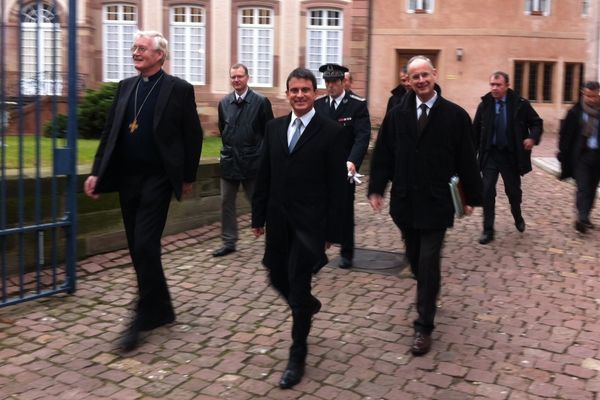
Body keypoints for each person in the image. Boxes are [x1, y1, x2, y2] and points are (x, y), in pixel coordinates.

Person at [83, 31, 203, 352]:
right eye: (134, 48)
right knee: (138, 249)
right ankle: (162, 308)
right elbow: (111, 133)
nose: (135, 52)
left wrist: (187, 177)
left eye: (142, 48)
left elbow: (193, 136)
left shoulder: (178, 89)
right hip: (128, 178)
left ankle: (140, 317)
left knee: (146, 244)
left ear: (160, 55)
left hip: (158, 178)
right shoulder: (125, 87)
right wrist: (97, 172)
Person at [368, 55, 482, 356]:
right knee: (416, 258)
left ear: (435, 75)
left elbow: (467, 159)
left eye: (425, 75)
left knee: (429, 261)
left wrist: (471, 197)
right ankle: (429, 289)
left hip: (436, 202)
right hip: (405, 201)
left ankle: (423, 326)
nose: (420, 81)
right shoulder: (397, 114)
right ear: (408, 79)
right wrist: (377, 188)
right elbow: (383, 155)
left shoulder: (455, 116)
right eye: (414, 76)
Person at [252, 68, 347, 389]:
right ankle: (306, 305)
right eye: (294, 90)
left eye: (306, 90)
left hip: (310, 227)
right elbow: (263, 174)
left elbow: (338, 187)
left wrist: (334, 231)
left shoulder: (330, 132)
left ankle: (297, 354)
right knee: (275, 276)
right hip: (278, 222)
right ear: (287, 93)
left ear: (315, 93)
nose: (300, 95)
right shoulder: (274, 128)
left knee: (297, 281)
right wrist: (257, 217)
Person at [473, 71, 543, 244]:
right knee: (487, 190)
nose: (494, 88)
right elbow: (474, 132)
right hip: (490, 154)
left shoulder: (520, 104)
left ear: (507, 86)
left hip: (510, 155)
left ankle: (517, 215)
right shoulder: (485, 105)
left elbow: (536, 122)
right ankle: (488, 230)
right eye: (492, 85)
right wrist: (469, 155)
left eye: (498, 85)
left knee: (513, 191)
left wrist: (532, 138)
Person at [212, 63, 274, 257]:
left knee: (259, 202)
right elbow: (224, 130)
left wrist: (261, 156)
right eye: (233, 77)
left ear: (248, 78)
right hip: (230, 160)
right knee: (226, 201)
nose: (236, 80)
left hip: (253, 162)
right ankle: (229, 241)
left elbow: (269, 132)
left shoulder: (261, 102)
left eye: (240, 76)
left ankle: (275, 239)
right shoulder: (224, 103)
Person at [314, 63, 371, 269]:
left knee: (344, 210)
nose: (330, 86)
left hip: (345, 167)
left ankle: (347, 252)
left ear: (342, 82)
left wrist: (353, 161)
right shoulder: (318, 105)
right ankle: (318, 251)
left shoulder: (356, 105)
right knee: (319, 209)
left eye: (334, 82)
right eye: (327, 82)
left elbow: (362, 136)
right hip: (321, 168)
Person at [558, 81, 600, 233]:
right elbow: (565, 134)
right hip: (581, 155)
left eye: (594, 96)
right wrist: (562, 153)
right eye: (588, 96)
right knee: (582, 187)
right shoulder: (575, 112)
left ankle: (586, 216)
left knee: (592, 188)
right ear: (583, 94)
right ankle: (581, 218)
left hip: (598, 155)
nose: (591, 99)